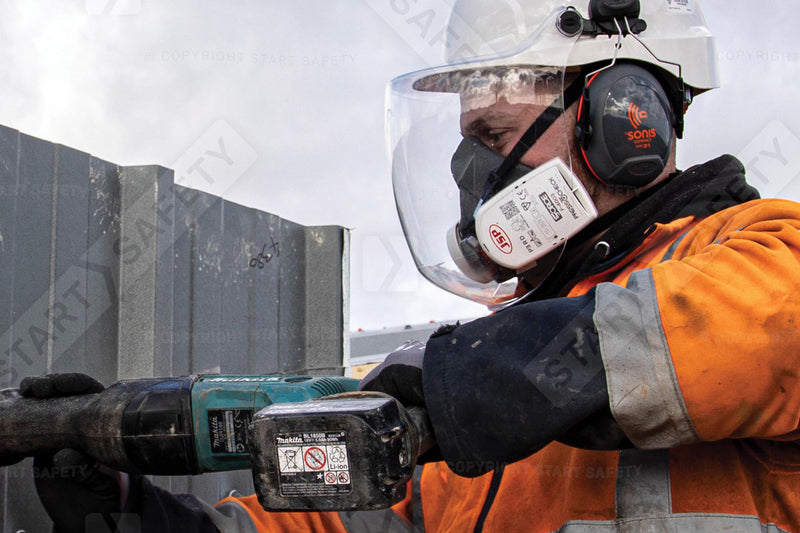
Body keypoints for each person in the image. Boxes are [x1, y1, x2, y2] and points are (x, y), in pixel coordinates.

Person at [19, 0, 800, 531]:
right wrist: (133, 506)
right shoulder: (491, 374)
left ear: (626, 118)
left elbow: (722, 335)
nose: (473, 178)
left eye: (493, 138)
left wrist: (453, 385)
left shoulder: (763, 254)